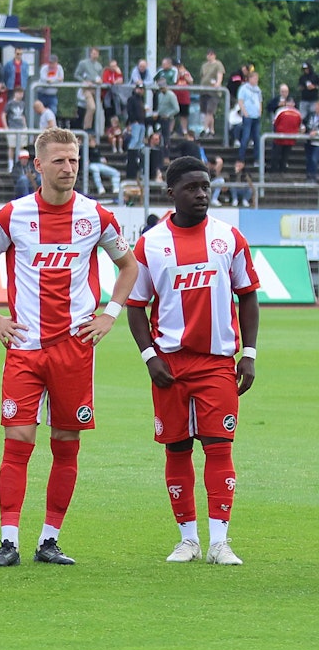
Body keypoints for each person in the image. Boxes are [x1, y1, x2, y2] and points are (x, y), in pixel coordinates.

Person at [0, 128, 139, 568]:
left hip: (74, 349)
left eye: (74, 160)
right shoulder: (14, 215)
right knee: (17, 441)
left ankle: (49, 540)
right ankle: (8, 542)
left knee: (66, 443)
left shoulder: (96, 217)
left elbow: (128, 266)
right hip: (25, 348)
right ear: (37, 165)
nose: (69, 169)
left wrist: (110, 313)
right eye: (59, 161)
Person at [126, 156, 259, 566]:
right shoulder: (150, 244)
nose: (202, 194)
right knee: (177, 449)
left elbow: (248, 296)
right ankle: (188, 539)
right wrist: (150, 357)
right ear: (172, 194)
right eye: (192, 188)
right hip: (169, 365)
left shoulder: (229, 238)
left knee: (219, 447)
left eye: (205, 186)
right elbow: (135, 305)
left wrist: (249, 354)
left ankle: (220, 541)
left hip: (217, 362)